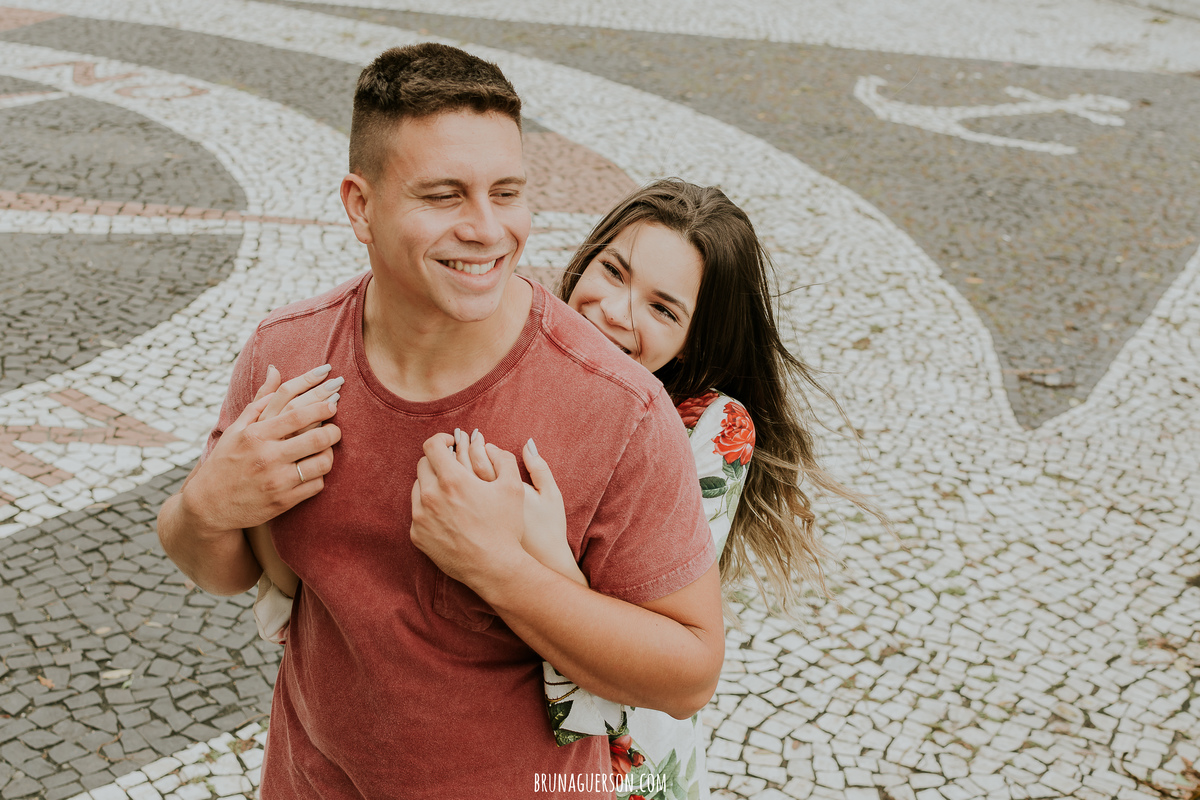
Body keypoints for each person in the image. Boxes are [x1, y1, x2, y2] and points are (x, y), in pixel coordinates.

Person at [155, 44, 724, 799]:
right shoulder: (286, 354)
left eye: (508, 192)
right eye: (445, 195)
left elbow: (688, 675)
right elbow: (221, 567)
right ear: (360, 205)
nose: (488, 229)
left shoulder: (617, 408)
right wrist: (206, 506)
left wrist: (502, 571)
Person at [250, 179, 885, 798]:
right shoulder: (534, 358)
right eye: (613, 271)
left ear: (699, 338)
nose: (614, 310)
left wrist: (533, 553)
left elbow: (658, 646)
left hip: (619, 760)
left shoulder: (708, 431)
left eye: (663, 309)